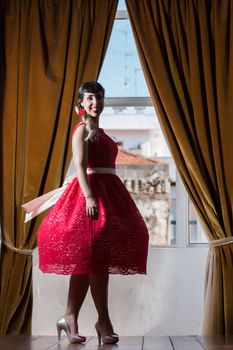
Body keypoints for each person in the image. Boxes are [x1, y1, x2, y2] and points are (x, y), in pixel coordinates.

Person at [36, 81, 149, 345]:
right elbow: (80, 165)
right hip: (91, 196)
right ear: (81, 103)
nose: (95, 102)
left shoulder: (100, 130)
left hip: (108, 193)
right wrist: (88, 197)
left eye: (98, 98)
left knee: (92, 259)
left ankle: (71, 317)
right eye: (90, 98)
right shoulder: (80, 130)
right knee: (94, 256)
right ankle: (101, 321)